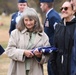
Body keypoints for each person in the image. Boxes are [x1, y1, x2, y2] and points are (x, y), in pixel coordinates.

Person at [5, 7, 50, 75]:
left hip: (36, 71)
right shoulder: (15, 33)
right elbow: (9, 50)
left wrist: (40, 56)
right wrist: (23, 53)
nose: (28, 23)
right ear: (23, 20)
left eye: (31, 20)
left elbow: (48, 55)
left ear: (36, 20)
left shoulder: (43, 35)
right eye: (26, 20)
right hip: (17, 70)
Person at [52, 1, 76, 75]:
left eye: (66, 8)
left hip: (72, 67)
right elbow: (55, 47)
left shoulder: (75, 26)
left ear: (73, 11)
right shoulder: (58, 26)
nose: (63, 10)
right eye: (61, 8)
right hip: (59, 67)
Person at [39, 0, 61, 75]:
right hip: (51, 50)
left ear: (45, 5)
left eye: (41, 4)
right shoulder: (50, 15)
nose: (40, 6)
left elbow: (59, 33)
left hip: (54, 51)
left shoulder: (53, 16)